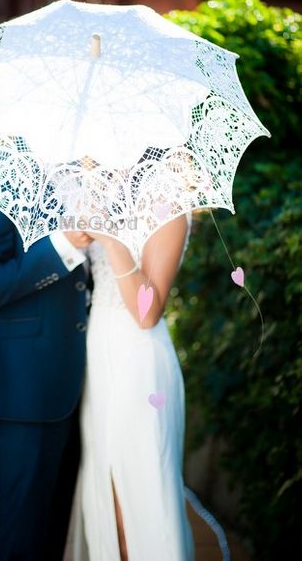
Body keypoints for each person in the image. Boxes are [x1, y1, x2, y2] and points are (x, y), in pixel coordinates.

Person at [0, 191, 93, 561]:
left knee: (51, 533)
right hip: (27, 382)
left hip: (84, 379)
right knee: (22, 537)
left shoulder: (88, 165)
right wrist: (66, 244)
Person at [74, 210, 196, 561]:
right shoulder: (100, 197)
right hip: (98, 358)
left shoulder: (169, 209)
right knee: (107, 500)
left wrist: (111, 239)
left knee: (138, 494)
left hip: (138, 363)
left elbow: (147, 313)